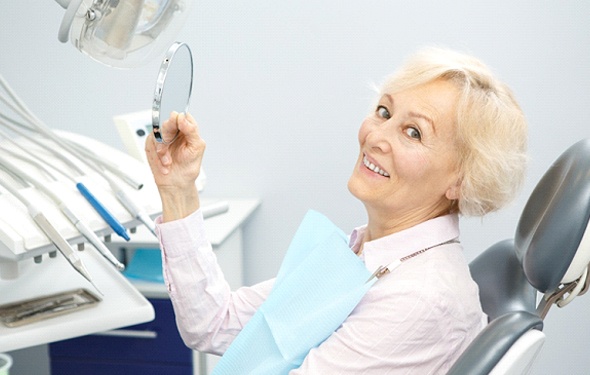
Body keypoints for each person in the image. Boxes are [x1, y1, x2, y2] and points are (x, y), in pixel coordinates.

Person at [145, 46, 528, 374]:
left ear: (462, 180)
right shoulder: (366, 252)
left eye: (414, 132)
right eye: (383, 111)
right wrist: (178, 189)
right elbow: (213, 324)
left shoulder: (419, 298)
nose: (375, 137)